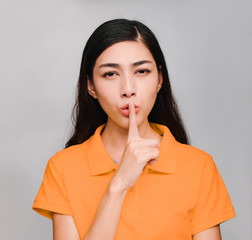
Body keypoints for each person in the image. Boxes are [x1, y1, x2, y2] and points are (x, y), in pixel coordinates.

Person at [32, 19, 236, 240]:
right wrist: (118, 185)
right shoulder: (63, 168)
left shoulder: (199, 167)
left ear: (160, 80)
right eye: (110, 74)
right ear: (91, 86)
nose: (128, 89)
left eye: (141, 71)